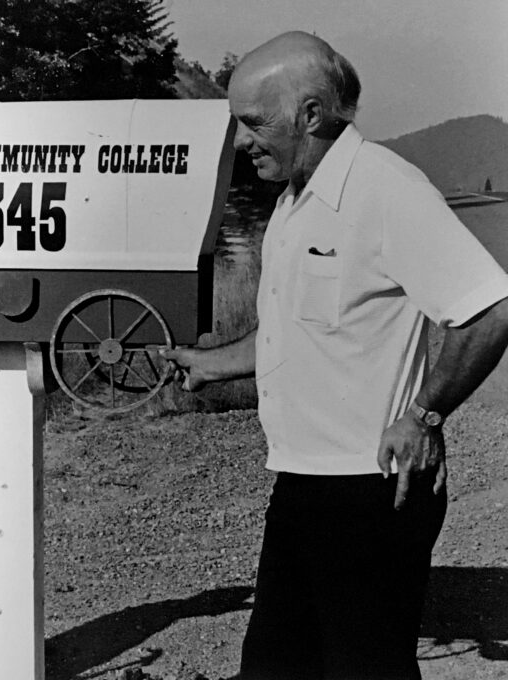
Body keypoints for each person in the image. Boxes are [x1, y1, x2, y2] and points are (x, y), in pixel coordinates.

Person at [164, 32, 508, 680]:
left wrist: (425, 415)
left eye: (253, 122)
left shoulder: (386, 188)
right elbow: (294, 332)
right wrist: (211, 364)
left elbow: (490, 309)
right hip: (299, 484)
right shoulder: (293, 201)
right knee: (273, 666)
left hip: (371, 494)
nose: (241, 141)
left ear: (312, 115)